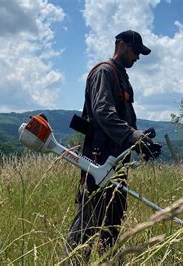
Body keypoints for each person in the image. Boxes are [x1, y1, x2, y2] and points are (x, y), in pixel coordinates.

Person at [65, 30, 162, 261]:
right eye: (136, 51)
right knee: (87, 224)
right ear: (122, 45)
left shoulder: (122, 77)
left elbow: (125, 120)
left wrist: (140, 143)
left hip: (116, 162)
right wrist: (132, 136)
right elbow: (103, 112)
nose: (137, 57)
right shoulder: (104, 72)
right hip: (98, 159)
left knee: (113, 220)